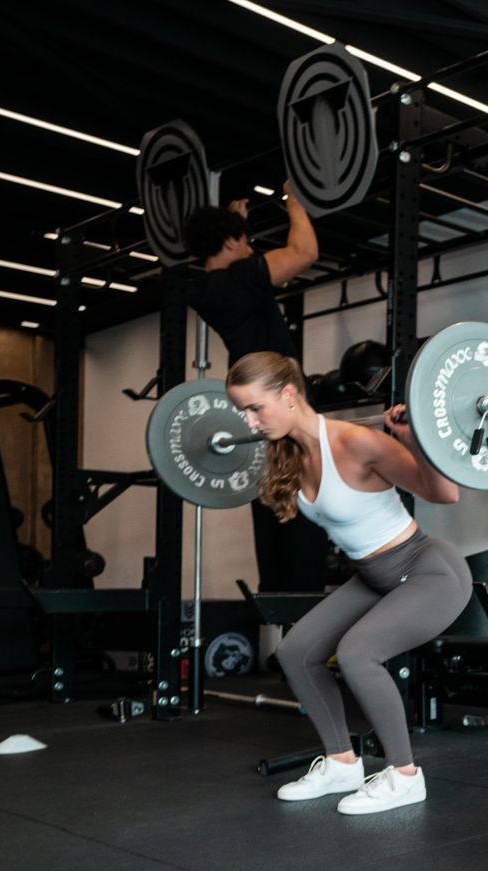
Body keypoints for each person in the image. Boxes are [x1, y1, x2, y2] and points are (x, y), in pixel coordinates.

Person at [224, 351, 472, 815]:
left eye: (255, 407)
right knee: (297, 652)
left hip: (426, 570)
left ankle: (404, 776)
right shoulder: (289, 454)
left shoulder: (357, 443)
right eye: (243, 411)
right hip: (374, 577)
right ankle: (342, 763)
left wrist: (417, 441)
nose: (250, 421)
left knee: (359, 653)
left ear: (289, 394)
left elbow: (446, 493)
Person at [184, 186, 329, 593]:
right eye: (245, 240)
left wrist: (237, 225)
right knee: (302, 508)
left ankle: (282, 601)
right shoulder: (239, 281)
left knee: (275, 504)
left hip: (260, 408)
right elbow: (304, 252)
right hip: (278, 404)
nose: (251, 247)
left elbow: (235, 260)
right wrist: (294, 204)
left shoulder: (210, 289)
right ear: (229, 242)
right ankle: (301, 605)